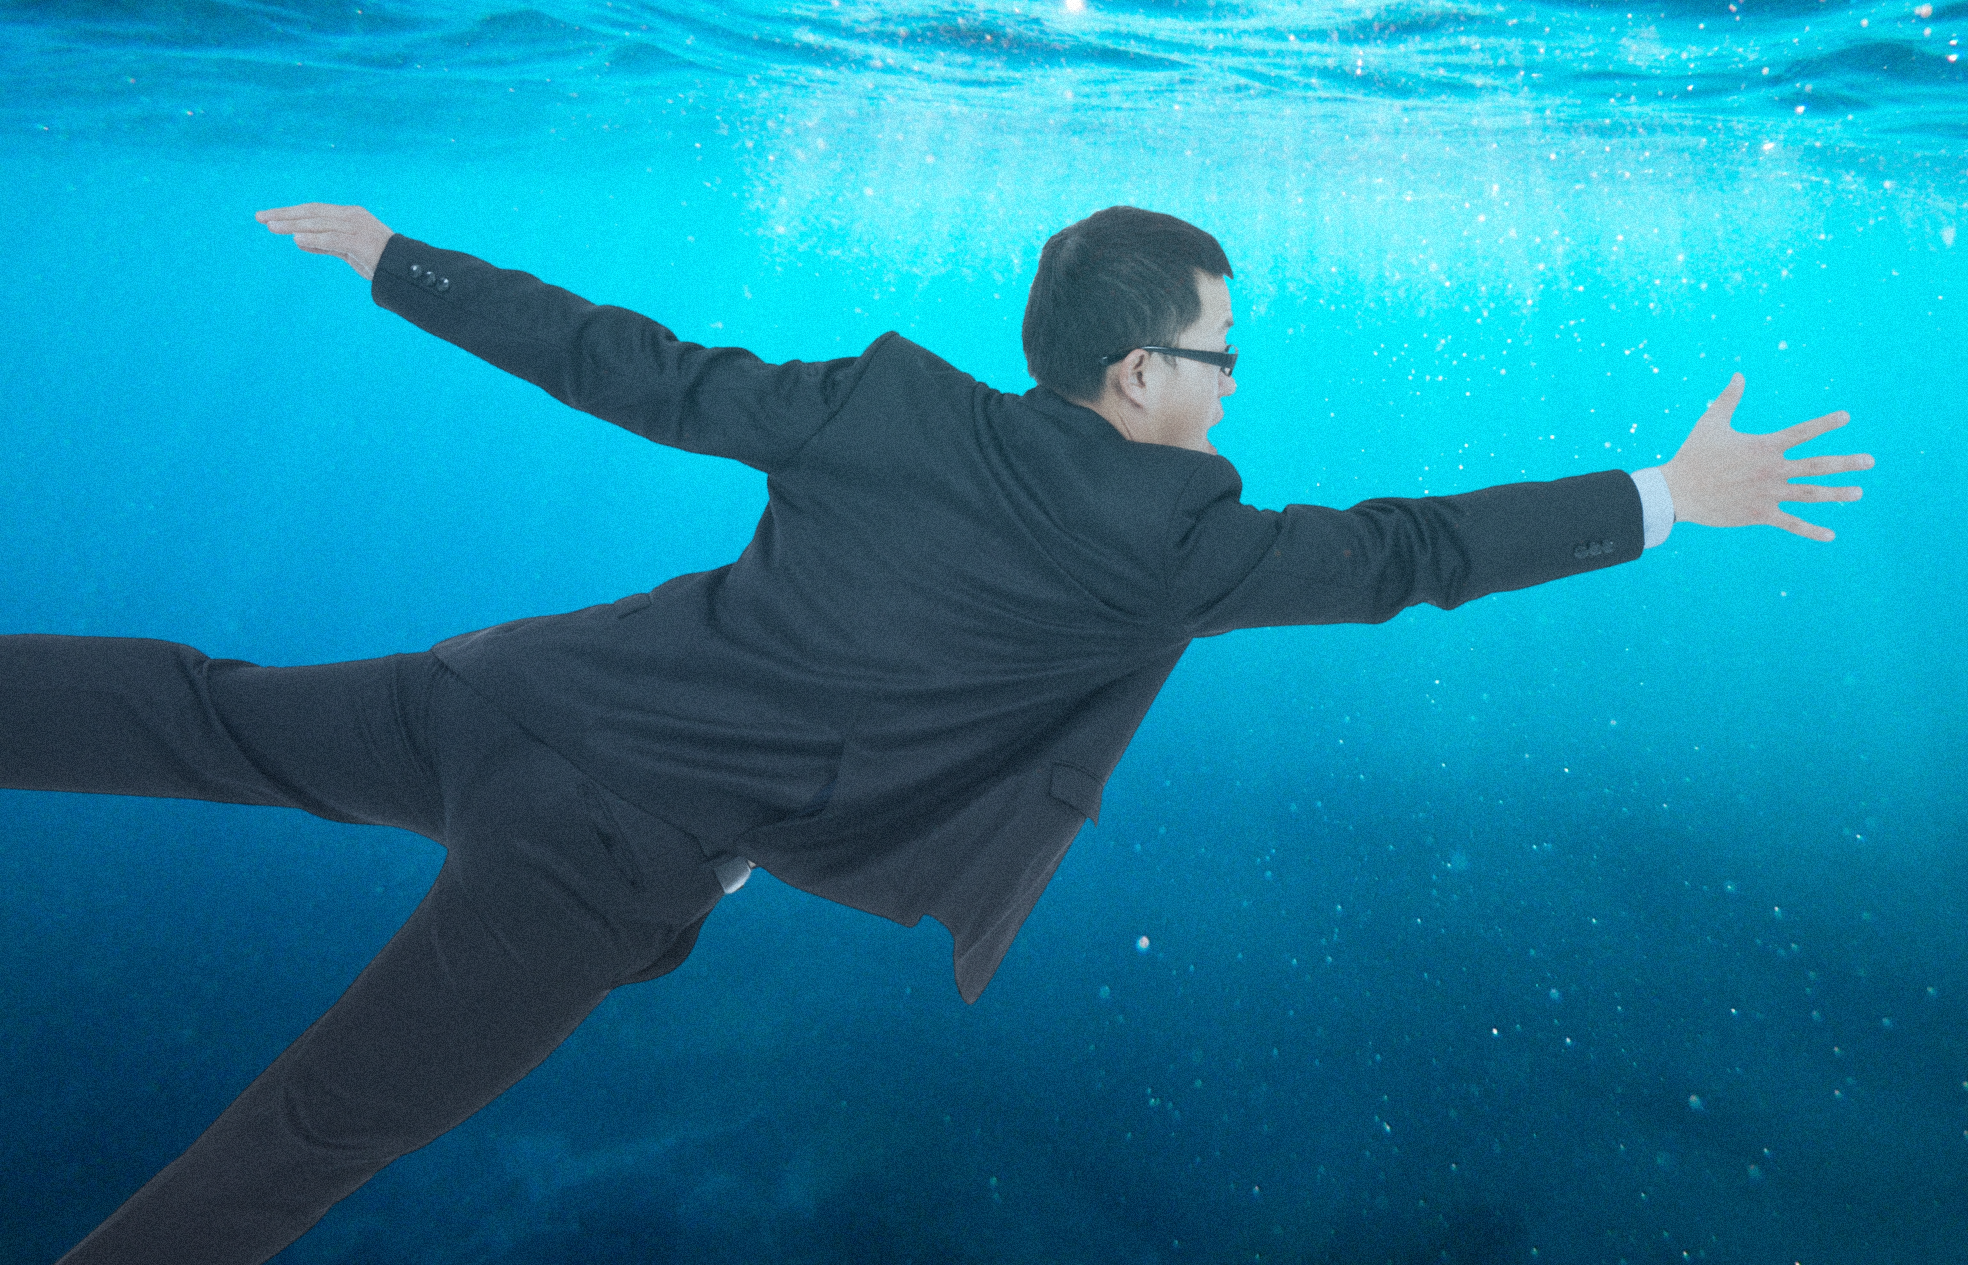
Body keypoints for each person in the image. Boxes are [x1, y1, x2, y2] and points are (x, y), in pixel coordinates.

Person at [4, 201, 1871, 1264]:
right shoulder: (1185, 549)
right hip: (598, 858)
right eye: (1228, 353)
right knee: (315, 1131)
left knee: (195, 713)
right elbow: (1418, 557)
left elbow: (634, 371)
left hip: (505, 696)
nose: (1238, 382)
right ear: (1140, 373)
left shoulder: (888, 402)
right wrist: (1669, 493)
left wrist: (402, 262)